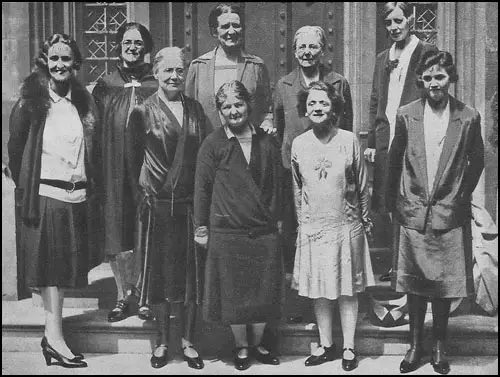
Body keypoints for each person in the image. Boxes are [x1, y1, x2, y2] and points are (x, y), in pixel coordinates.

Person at [386, 50, 485, 374]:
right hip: (413, 211)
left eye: (439, 77)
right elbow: (395, 158)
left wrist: (459, 195)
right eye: (427, 78)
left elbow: (477, 162)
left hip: (448, 213)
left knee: (443, 285)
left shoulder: (468, 117)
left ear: (450, 78)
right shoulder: (406, 114)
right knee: (415, 284)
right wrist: (392, 203)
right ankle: (415, 346)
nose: (433, 84)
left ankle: (440, 347)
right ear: (420, 81)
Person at [8, 33, 99, 368]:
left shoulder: (83, 101)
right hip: (47, 195)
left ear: (75, 64)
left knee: (63, 270)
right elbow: (16, 153)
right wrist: (30, 187)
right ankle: (55, 338)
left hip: (77, 196)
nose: (60, 65)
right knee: (51, 271)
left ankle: (53, 336)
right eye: (54, 58)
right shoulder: (31, 102)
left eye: (66, 59)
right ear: (45, 61)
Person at [126, 46, 207, 370]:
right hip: (156, 208)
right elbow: (132, 163)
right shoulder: (142, 111)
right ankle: (161, 342)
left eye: (180, 71)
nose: (175, 76)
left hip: (188, 207)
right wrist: (146, 196)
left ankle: (188, 343)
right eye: (168, 71)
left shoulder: (196, 111)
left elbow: (205, 157)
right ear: (156, 74)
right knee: (159, 277)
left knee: (189, 278)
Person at [194, 81, 284, 371]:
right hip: (228, 232)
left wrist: (276, 222)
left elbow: (276, 185)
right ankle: (241, 347)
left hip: (263, 230)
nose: (234, 111)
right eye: (227, 107)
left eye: (238, 104)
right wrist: (201, 228)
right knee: (233, 294)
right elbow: (202, 189)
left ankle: (257, 344)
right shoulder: (213, 143)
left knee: (262, 292)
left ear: (249, 105)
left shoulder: (267, 141)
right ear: (219, 111)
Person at [291, 81, 375, 372]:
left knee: (347, 289)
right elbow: (297, 188)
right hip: (314, 226)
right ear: (305, 108)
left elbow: (363, 186)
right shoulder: (299, 144)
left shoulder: (349, 140)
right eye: (312, 103)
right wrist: (303, 223)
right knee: (319, 288)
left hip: (346, 225)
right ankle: (326, 345)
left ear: (334, 108)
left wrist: (364, 220)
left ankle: (349, 346)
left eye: (323, 103)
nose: (317, 108)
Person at [364, 2, 438, 282]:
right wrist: (372, 140)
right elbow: (375, 101)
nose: (394, 27)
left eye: (399, 21)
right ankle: (397, 265)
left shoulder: (427, 52)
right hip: (387, 140)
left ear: (410, 19)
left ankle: (418, 266)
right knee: (391, 202)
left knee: (415, 200)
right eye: (389, 23)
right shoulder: (383, 57)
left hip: (414, 139)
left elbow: (433, 97)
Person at [274, 25, 353, 281]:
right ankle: (297, 293)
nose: (306, 52)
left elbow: (347, 127)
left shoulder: (338, 82)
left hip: (329, 173)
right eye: (302, 47)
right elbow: (279, 127)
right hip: (294, 172)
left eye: (312, 46)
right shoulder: (284, 85)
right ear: (294, 51)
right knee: (295, 230)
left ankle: (328, 286)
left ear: (322, 50)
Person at [92, 22, 158, 322]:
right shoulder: (106, 85)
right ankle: (122, 295)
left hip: (147, 168)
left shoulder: (156, 84)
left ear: (146, 47)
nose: (132, 47)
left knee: (145, 227)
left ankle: (144, 293)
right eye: (127, 42)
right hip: (114, 169)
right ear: (118, 46)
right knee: (118, 231)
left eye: (138, 42)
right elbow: (93, 130)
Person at [185, 3, 273, 135]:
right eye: (225, 27)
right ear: (215, 31)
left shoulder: (256, 66)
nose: (231, 31)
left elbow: (266, 110)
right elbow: (188, 113)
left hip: (247, 144)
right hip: (209, 146)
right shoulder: (198, 66)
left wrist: (267, 122)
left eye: (236, 26)